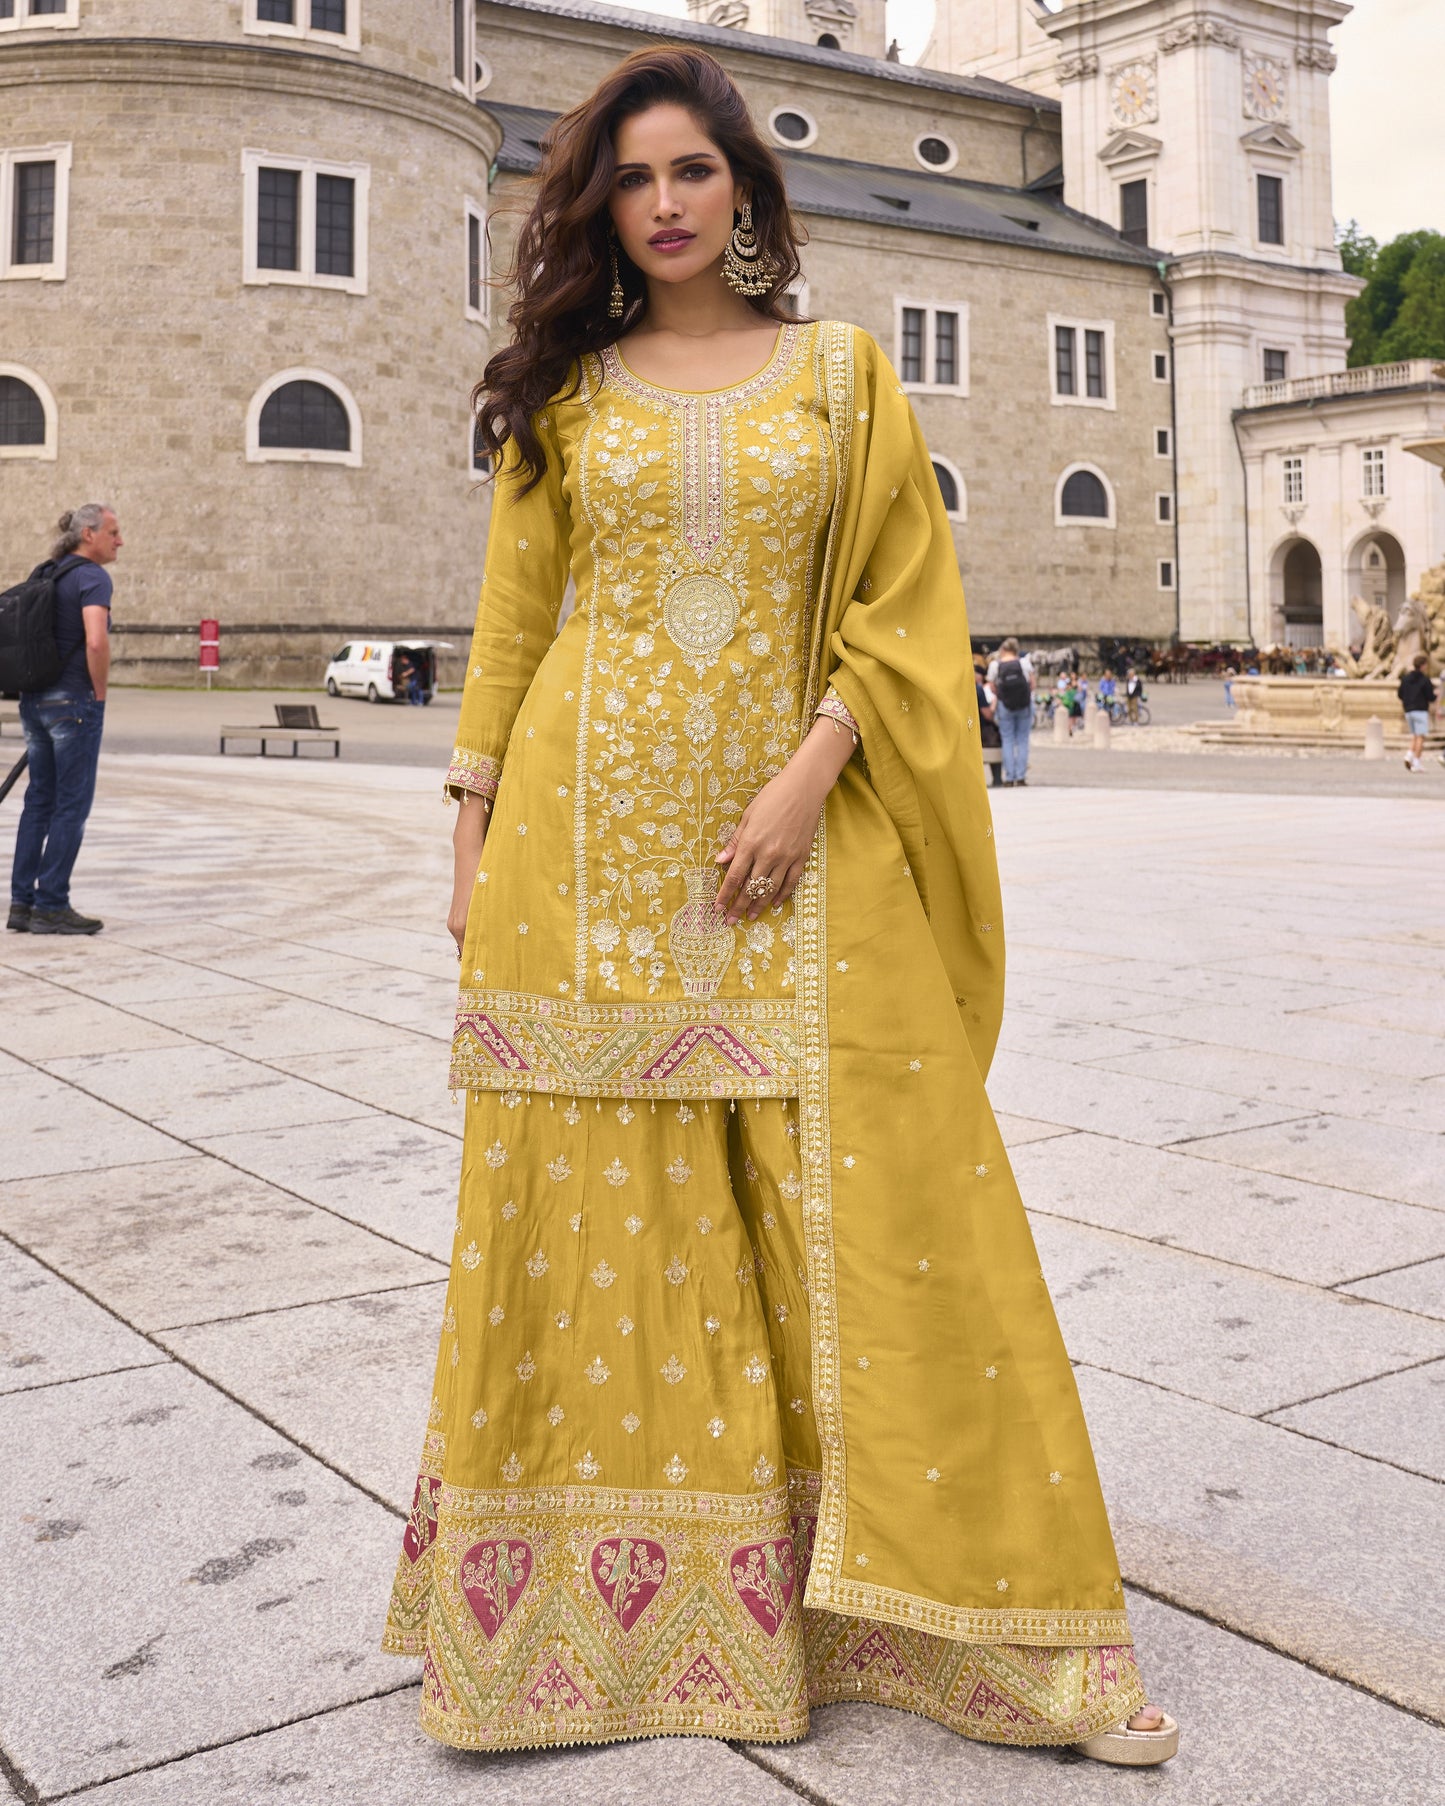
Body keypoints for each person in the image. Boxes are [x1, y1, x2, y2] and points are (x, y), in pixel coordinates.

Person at [382, 46, 1175, 1769]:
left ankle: (1007, 1632)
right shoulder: (568, 400)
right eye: (631, 180)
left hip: (800, 856)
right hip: (579, 862)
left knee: (902, 1201)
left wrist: (810, 773)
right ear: (598, 206)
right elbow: (515, 627)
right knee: (610, 1223)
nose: (664, 205)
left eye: (693, 173)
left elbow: (903, 601)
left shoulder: (841, 376)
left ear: (745, 190)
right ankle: (613, 1624)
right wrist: (469, 832)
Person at [7, 505, 120, 936]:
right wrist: (100, 692)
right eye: (113, 532)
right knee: (71, 804)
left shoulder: (47, 572)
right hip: (74, 703)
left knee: (39, 801)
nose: (119, 541)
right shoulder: (92, 577)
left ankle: (22, 904)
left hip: (34, 701)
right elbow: (96, 639)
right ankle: (52, 904)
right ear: (87, 534)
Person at [987, 635, 1034, 785]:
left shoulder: (995, 665)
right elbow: (1032, 684)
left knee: (1007, 739)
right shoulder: (1024, 663)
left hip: (1004, 705)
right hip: (1024, 704)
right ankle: (1020, 777)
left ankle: (1009, 777)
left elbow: (992, 686)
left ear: (1004, 649)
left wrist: (1000, 695)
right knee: (1022, 739)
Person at [1397, 653, 1436, 773]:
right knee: (1420, 737)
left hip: (1408, 710)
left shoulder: (1406, 678)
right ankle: (1416, 762)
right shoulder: (1425, 680)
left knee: (1414, 735)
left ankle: (1409, 755)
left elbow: (1400, 694)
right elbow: (1430, 697)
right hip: (1420, 710)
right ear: (1423, 666)